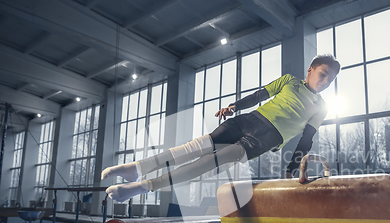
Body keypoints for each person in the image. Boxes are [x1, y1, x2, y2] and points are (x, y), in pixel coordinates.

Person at [102, 54, 341, 202]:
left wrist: (292, 170)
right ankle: (138, 167)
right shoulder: (289, 80)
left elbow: (306, 140)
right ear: (310, 70)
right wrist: (234, 106)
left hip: (265, 139)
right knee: (195, 147)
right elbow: (259, 95)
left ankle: (142, 187)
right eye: (323, 74)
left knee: (207, 163)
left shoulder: (321, 106)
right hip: (249, 119)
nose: (325, 82)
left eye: (330, 80)